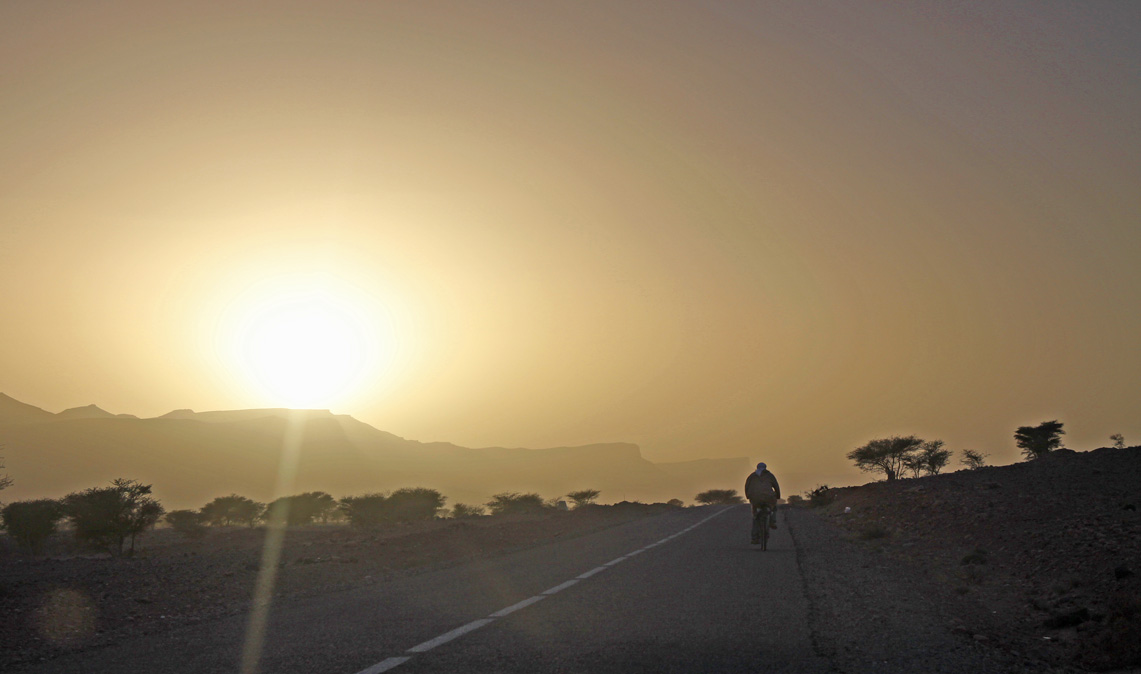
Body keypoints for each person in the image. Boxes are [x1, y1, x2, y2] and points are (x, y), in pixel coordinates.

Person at [745, 462, 780, 544]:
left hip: (755, 498)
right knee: (773, 507)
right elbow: (776, 486)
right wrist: (777, 496)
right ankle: (772, 521)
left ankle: (755, 538)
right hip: (769, 498)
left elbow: (747, 487)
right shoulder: (770, 475)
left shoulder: (752, 476)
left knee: (755, 517)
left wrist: (748, 496)